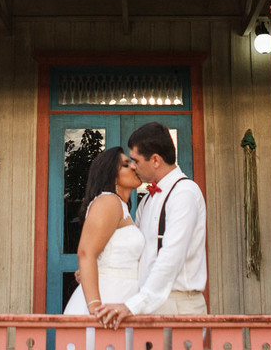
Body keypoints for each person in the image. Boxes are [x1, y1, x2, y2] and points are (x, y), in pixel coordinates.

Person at [97, 121, 206, 328]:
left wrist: (133, 305)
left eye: (136, 160)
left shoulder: (185, 194)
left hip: (178, 305)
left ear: (155, 160)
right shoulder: (146, 201)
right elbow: (136, 253)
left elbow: (171, 257)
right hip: (147, 304)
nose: (133, 166)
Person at [62, 146, 146, 315]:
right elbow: (86, 253)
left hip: (124, 296)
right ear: (111, 174)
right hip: (110, 297)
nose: (133, 167)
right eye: (125, 165)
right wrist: (95, 309)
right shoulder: (109, 201)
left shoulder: (122, 208)